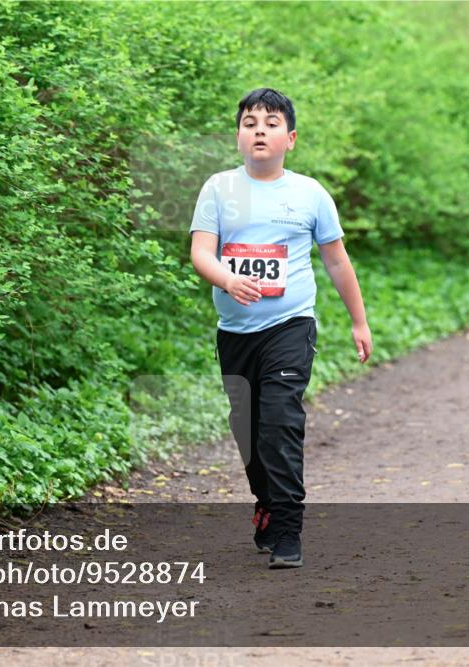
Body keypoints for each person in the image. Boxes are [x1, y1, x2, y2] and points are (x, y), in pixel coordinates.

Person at [189, 88, 372, 569]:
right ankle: (266, 502)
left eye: (271, 123)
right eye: (250, 123)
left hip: (290, 326)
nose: (259, 131)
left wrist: (359, 320)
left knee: (279, 424)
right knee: (247, 431)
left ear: (289, 138)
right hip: (235, 332)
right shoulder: (218, 189)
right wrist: (228, 279)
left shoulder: (310, 194)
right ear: (238, 136)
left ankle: (289, 530)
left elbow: (336, 260)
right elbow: (201, 253)